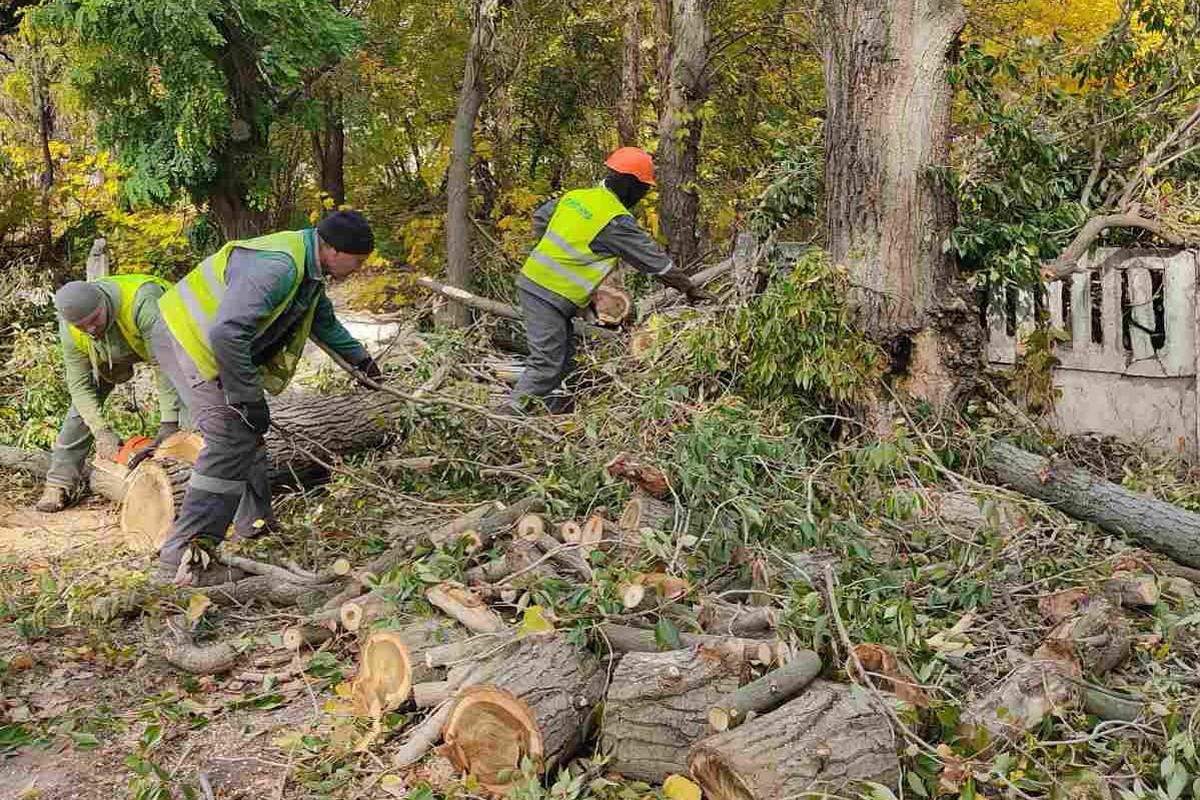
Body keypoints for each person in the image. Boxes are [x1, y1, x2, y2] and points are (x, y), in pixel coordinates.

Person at [152, 210, 382, 584]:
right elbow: (227, 334)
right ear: (334, 249)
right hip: (187, 340)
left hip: (206, 341)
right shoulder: (280, 267)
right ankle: (181, 560)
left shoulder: (309, 269)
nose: (358, 269)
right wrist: (246, 397)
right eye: (356, 262)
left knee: (245, 437)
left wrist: (362, 361)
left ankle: (254, 526)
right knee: (229, 441)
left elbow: (323, 323)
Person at [508, 146, 707, 414]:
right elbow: (656, 263)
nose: (642, 196)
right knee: (545, 364)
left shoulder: (578, 197)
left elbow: (541, 217)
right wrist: (690, 289)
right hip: (546, 295)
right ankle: (505, 420)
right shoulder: (614, 220)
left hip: (540, 287)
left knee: (564, 362)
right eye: (643, 189)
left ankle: (551, 417)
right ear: (629, 185)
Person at [35, 275, 181, 512]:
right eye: (82, 326)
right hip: (107, 354)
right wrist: (101, 431)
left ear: (103, 301)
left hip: (169, 346)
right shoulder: (71, 328)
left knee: (187, 399)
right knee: (79, 412)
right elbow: (80, 387)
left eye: (94, 319)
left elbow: (165, 366)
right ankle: (59, 483)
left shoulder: (143, 300)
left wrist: (169, 423)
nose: (90, 329)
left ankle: (193, 472)